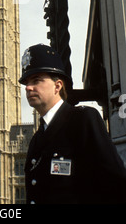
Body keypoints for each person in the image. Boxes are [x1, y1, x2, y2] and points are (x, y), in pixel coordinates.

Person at [19, 43, 126, 204]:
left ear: (57, 86)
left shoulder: (83, 120)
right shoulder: (36, 139)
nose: (28, 87)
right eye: (26, 82)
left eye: (36, 80)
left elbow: (117, 185)